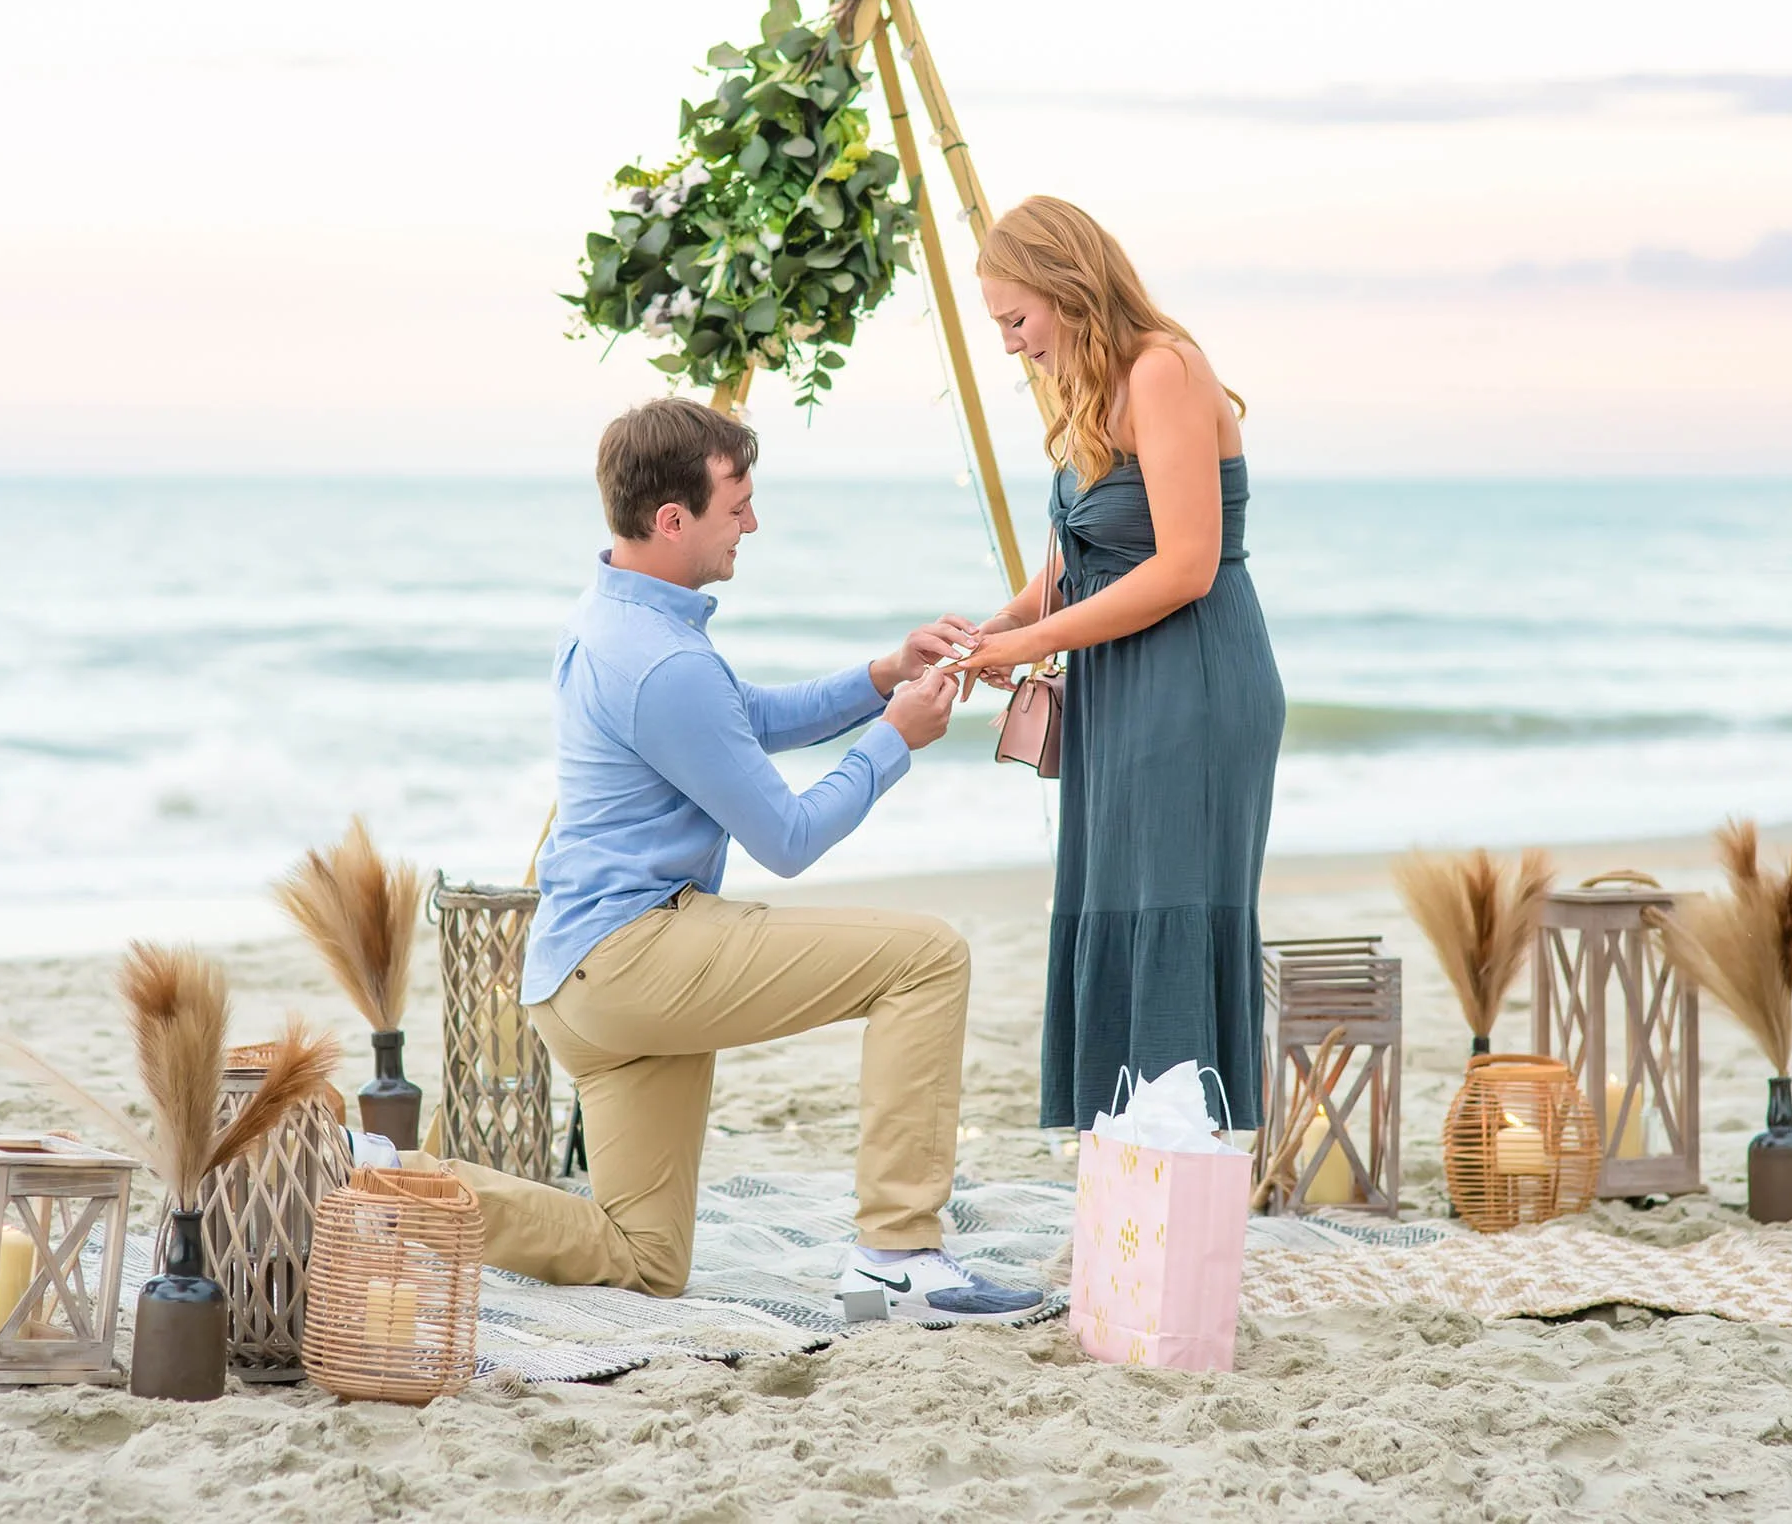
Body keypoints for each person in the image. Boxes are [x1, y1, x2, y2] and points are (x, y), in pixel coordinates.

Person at [438, 395, 1042, 1321]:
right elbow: (788, 839)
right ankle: (898, 1256)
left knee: (644, 1261)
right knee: (928, 956)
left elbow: (739, 721)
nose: (753, 522)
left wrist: (880, 676)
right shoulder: (660, 660)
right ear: (672, 520)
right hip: (634, 958)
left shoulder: (616, 613)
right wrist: (893, 740)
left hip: (577, 981)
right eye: (737, 504)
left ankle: (394, 1187)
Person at [955, 196, 1285, 1135]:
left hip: (1193, 682)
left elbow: (1186, 565)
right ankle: (1135, 1170)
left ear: (1069, 287)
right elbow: (1083, 551)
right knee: (1113, 903)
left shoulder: (1164, 370)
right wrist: (999, 626)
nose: (1013, 346)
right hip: (1117, 685)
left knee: (1168, 908)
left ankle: (1176, 1174)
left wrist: (1031, 645)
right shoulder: (1091, 388)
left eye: (1017, 320)